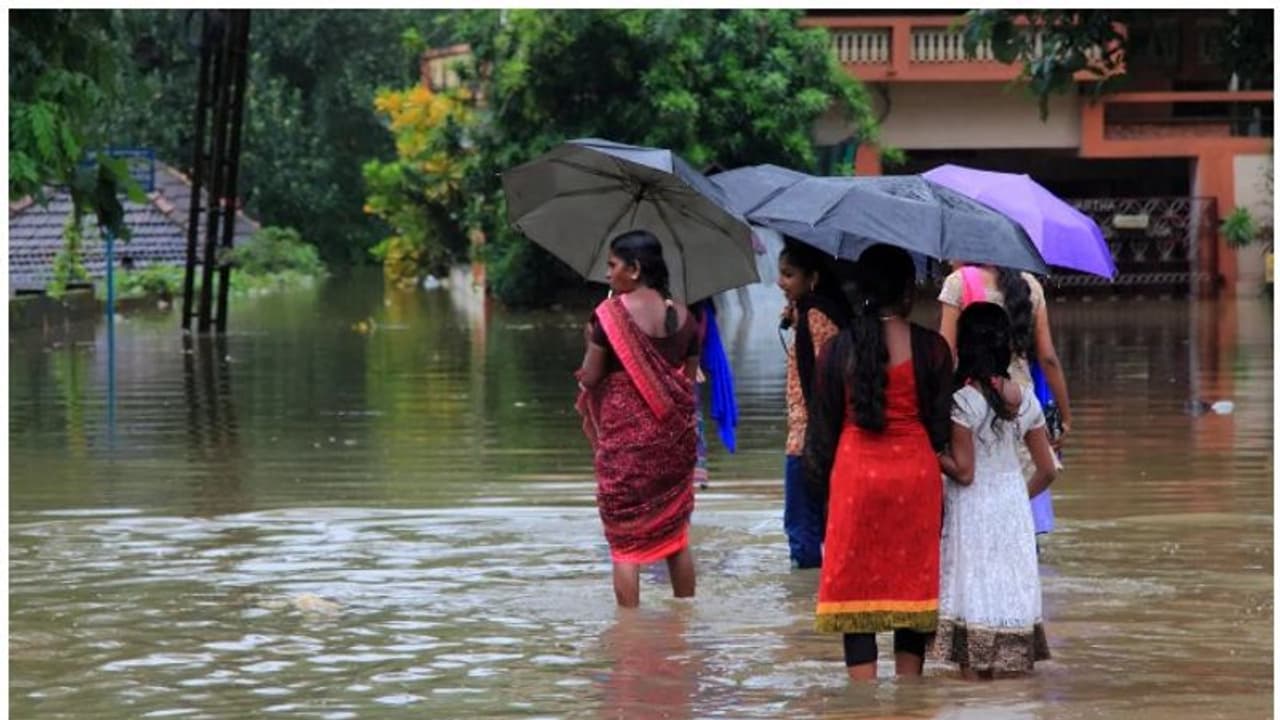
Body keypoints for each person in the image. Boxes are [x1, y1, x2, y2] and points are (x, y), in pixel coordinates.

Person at [804, 244, 953, 680]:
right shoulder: (933, 350)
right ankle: (910, 696)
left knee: (857, 597)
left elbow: (822, 433)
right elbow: (940, 431)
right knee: (911, 590)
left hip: (856, 480)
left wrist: (824, 498)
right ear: (907, 292)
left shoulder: (836, 351)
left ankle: (863, 700)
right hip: (915, 480)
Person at [576, 229, 702, 608]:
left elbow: (590, 377)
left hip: (626, 452)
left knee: (625, 546)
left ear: (633, 269)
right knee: (676, 537)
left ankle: (628, 631)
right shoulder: (686, 318)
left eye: (613, 265)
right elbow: (687, 382)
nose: (608, 273)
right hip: (673, 449)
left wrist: (592, 341)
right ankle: (685, 618)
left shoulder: (609, 318)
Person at [933, 302, 1057, 678]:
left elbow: (965, 472)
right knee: (1009, 591)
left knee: (974, 595)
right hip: (1012, 506)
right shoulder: (1023, 397)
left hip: (973, 509)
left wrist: (932, 452)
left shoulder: (962, 402)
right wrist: (1019, 496)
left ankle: (974, 691)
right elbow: (1048, 469)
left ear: (964, 347)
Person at [937, 263, 1071, 538]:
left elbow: (945, 353)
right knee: (1022, 521)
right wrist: (1066, 416)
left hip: (971, 395)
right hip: (1019, 403)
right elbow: (1047, 358)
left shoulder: (958, 283)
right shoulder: (1030, 285)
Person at [777, 239, 850, 569]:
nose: (781, 283)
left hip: (808, 438)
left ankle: (804, 599)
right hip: (822, 435)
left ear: (813, 279)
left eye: (789, 275)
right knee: (822, 520)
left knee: (801, 525)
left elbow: (822, 379)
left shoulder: (815, 316)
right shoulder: (815, 313)